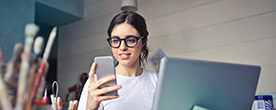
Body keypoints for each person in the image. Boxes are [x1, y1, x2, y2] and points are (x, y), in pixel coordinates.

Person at [78, 11, 158, 110]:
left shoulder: (157, 81)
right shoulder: (97, 83)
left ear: (143, 42)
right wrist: (90, 108)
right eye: (116, 41)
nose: (122, 47)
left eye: (131, 40)